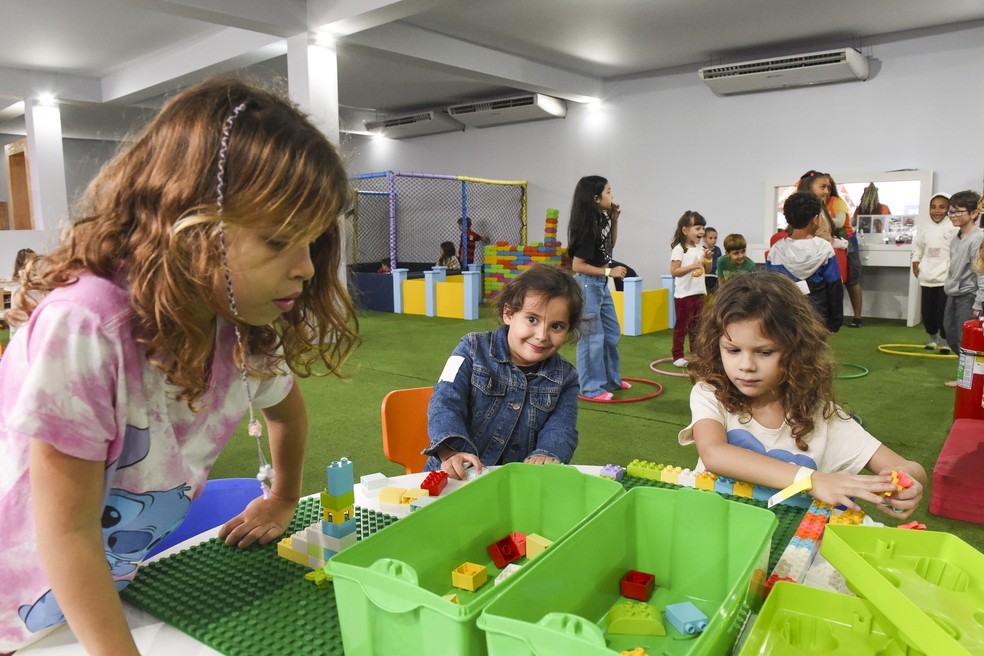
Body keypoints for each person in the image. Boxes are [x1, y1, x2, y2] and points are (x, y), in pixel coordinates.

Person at [0, 78, 359, 653]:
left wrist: (284, 496)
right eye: (278, 241)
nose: (307, 268)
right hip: (15, 600)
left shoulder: (243, 327)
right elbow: (65, 533)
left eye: (313, 243)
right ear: (189, 223)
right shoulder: (90, 323)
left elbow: (287, 415)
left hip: (101, 588)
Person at [679, 271, 927, 518]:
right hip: (713, 528)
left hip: (789, 546)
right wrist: (810, 480)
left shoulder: (822, 416)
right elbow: (714, 453)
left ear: (796, 351)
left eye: (764, 352)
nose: (746, 365)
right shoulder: (711, 394)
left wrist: (905, 482)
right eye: (733, 350)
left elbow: (909, 468)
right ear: (717, 345)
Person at [424, 264, 582, 479]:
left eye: (556, 326)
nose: (542, 335)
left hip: (517, 482)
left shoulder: (566, 377)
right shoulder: (471, 348)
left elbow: (562, 428)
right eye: (532, 319)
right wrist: (451, 450)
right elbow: (444, 402)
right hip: (455, 474)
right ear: (509, 313)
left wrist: (548, 453)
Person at [567, 175, 628, 401]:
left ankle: (611, 380)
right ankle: (591, 388)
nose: (612, 196)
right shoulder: (585, 228)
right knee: (591, 337)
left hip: (599, 285)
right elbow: (578, 264)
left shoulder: (600, 220)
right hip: (587, 284)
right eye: (608, 192)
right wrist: (608, 272)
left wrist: (615, 219)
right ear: (595, 198)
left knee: (611, 332)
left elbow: (608, 248)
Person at [767, 192, 843, 333]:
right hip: (818, 316)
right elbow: (834, 287)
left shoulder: (776, 250)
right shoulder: (824, 248)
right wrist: (835, 322)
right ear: (815, 219)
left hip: (784, 317)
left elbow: (770, 288)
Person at [942, 190, 984, 386]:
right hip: (953, 294)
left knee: (964, 339)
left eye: (958, 212)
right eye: (951, 212)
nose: (953, 216)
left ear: (974, 213)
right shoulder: (956, 237)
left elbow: (981, 273)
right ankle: (967, 377)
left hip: (969, 295)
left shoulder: (978, 239)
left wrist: (978, 302)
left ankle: (969, 380)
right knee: (951, 335)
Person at [911, 194, 956, 353]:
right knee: (928, 312)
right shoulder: (925, 227)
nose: (936, 211)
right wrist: (915, 262)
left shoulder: (953, 227)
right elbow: (919, 247)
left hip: (945, 278)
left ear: (948, 209)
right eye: (933, 206)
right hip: (927, 278)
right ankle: (933, 339)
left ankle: (945, 342)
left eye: (942, 207)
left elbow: (957, 252)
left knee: (943, 312)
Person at [848, 183, 893, 328]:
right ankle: (857, 316)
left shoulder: (878, 208)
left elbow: (889, 227)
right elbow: (853, 225)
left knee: (854, 281)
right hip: (863, 243)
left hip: (872, 243)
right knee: (854, 280)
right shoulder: (868, 209)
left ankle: (857, 317)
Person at [669, 210, 710, 367]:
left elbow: (708, 268)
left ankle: (695, 354)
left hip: (699, 293)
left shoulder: (700, 248)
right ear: (685, 230)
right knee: (682, 327)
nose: (702, 232)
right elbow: (674, 272)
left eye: (702, 228)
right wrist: (693, 266)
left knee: (697, 327)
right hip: (684, 296)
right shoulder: (679, 249)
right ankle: (677, 356)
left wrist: (708, 259)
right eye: (697, 228)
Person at [703, 227, 721, 294]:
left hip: (715, 277)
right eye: (710, 238)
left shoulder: (717, 249)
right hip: (705, 277)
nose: (713, 240)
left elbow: (719, 263)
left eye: (715, 238)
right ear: (704, 239)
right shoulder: (701, 250)